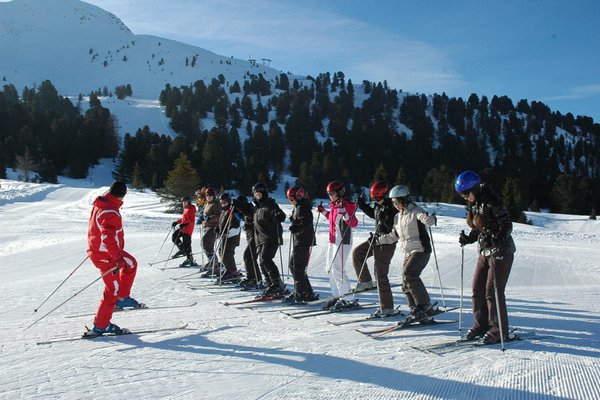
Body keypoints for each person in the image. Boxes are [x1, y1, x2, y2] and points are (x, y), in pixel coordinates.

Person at [455, 170, 516, 344]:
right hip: (484, 250)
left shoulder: (492, 200)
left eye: (466, 193)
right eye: (462, 195)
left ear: (474, 188)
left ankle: (499, 330)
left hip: (501, 251)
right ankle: (481, 325)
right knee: (477, 289)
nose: (465, 197)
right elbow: (478, 228)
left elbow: (506, 224)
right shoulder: (475, 204)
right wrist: (468, 238)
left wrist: (499, 237)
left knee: (493, 291)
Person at [86, 181, 143, 335]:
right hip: (106, 255)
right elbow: (108, 237)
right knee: (112, 288)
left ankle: (122, 298)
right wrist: (117, 258)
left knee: (130, 264)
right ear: (123, 195)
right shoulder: (110, 211)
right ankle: (101, 326)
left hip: (105, 251)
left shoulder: (105, 202)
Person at [376, 185, 437, 322]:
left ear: (404, 200)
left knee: (409, 274)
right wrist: (379, 240)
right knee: (405, 281)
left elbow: (427, 219)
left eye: (396, 202)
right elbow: (394, 235)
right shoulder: (398, 217)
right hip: (408, 252)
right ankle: (415, 309)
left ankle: (425, 305)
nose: (395, 204)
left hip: (421, 250)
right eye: (393, 202)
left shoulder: (416, 211)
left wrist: (431, 218)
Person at [353, 181, 399, 317]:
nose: (376, 201)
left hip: (387, 242)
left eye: (378, 198)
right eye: (374, 198)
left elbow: (396, 229)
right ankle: (366, 281)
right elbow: (374, 214)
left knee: (380, 275)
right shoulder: (378, 206)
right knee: (358, 253)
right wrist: (362, 205)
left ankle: (387, 308)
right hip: (376, 239)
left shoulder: (392, 207)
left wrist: (387, 220)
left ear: (385, 195)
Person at [317, 180, 359, 310]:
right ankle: (336, 296)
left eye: (332, 193)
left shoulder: (346, 204)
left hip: (343, 240)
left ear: (340, 192)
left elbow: (354, 223)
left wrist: (345, 213)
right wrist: (323, 211)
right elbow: (332, 217)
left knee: (338, 269)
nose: (330, 195)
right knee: (329, 268)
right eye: (329, 193)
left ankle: (347, 299)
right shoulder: (335, 205)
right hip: (333, 240)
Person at [283, 185, 319, 303]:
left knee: (297, 267)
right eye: (289, 199)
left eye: (291, 199)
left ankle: (301, 293)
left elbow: (306, 222)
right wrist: (294, 220)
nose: (290, 201)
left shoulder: (302, 207)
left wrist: (296, 226)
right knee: (295, 266)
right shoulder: (299, 206)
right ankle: (306, 292)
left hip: (303, 241)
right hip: (300, 240)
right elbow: (302, 220)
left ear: (298, 197)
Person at [252, 182, 287, 297]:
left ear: (264, 193)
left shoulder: (270, 204)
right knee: (262, 262)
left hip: (271, 237)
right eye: (255, 195)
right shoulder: (258, 207)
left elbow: (281, 215)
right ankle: (270, 284)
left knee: (265, 259)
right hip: (260, 238)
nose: (257, 197)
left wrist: (278, 216)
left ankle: (277, 284)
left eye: (259, 194)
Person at [234, 195, 264, 290]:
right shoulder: (246, 210)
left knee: (248, 256)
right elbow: (243, 217)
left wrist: (249, 225)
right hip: (251, 235)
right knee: (251, 257)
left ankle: (253, 278)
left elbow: (253, 218)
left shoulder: (251, 208)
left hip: (256, 235)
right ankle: (255, 278)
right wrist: (237, 213)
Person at [216, 193, 242, 282]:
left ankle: (232, 271)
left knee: (226, 253)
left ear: (229, 201)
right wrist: (218, 228)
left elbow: (236, 223)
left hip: (232, 235)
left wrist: (228, 230)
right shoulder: (224, 211)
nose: (223, 204)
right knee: (222, 252)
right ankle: (230, 269)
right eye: (221, 202)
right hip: (225, 235)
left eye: (225, 202)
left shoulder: (232, 210)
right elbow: (222, 223)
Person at [198, 187, 221, 271]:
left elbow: (219, 216)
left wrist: (208, 218)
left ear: (214, 196)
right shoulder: (207, 204)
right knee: (207, 245)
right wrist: (202, 219)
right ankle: (213, 262)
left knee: (205, 243)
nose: (208, 197)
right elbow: (205, 215)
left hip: (214, 228)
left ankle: (214, 263)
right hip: (207, 228)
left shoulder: (216, 204)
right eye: (207, 195)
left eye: (210, 195)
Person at [172, 196, 197, 267]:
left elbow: (191, 220)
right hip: (183, 228)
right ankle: (182, 250)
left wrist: (185, 224)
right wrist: (177, 222)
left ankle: (189, 259)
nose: (184, 203)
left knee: (187, 244)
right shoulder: (186, 209)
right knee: (174, 237)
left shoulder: (191, 209)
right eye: (183, 202)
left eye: (185, 202)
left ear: (188, 202)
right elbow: (183, 219)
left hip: (188, 230)